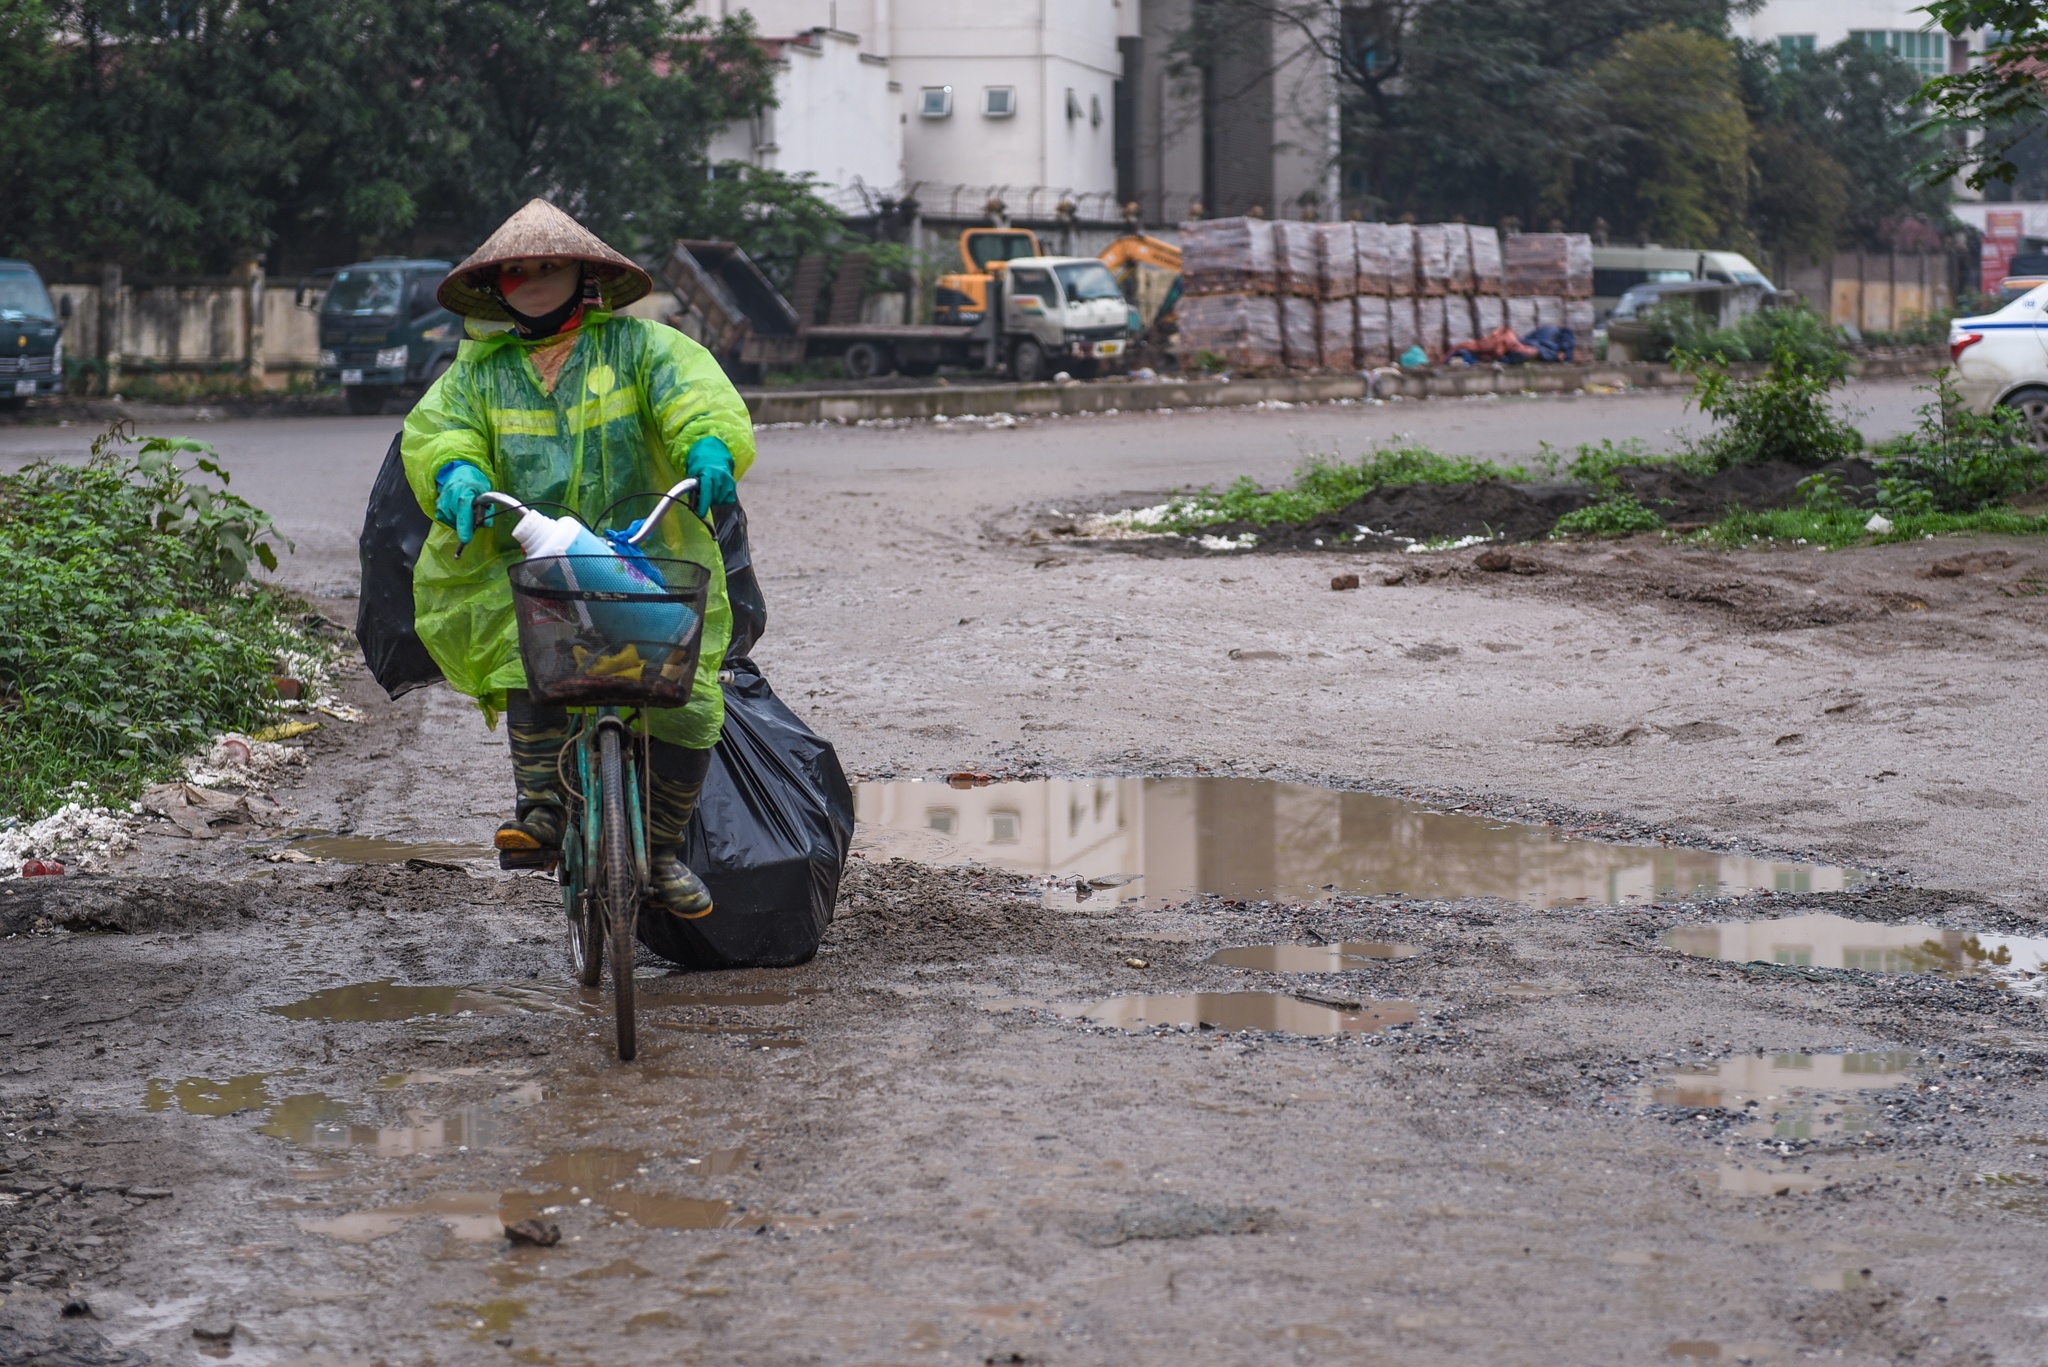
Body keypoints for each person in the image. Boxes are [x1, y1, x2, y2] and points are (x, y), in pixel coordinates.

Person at [399, 198, 754, 920]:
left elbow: (693, 396)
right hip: (527, 559)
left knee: (687, 698)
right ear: (496, 286)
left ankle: (657, 849)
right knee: (523, 650)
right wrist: (456, 472)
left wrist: (708, 442)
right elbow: (444, 433)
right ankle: (540, 811)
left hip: (645, 556)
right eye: (517, 270)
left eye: (548, 265)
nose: (533, 279)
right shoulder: (475, 376)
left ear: (582, 274)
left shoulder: (641, 347)